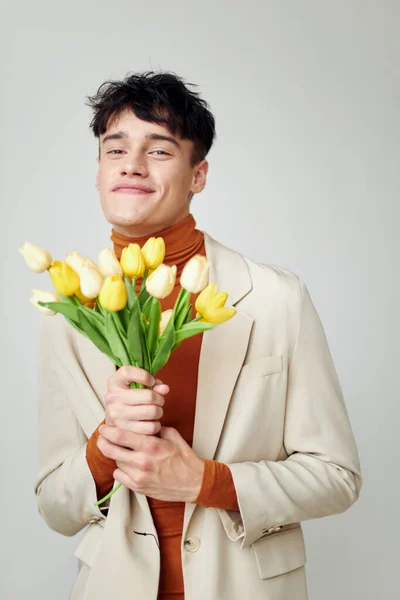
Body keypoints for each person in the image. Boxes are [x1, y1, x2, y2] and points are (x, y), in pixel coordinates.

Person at [34, 70, 362, 600]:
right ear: (98, 171)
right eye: (114, 150)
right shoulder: (66, 312)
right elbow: (54, 504)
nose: (132, 166)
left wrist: (207, 482)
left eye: (159, 151)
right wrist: (103, 451)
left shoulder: (277, 298)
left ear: (198, 174)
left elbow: (337, 476)